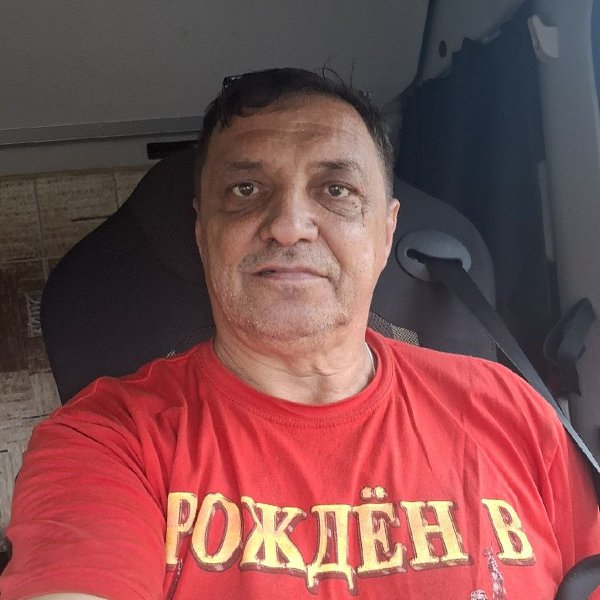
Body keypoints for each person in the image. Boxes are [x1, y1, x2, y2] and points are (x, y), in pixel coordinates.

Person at [1, 67, 599, 600]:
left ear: (385, 233)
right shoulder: (107, 440)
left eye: (336, 190)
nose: (288, 226)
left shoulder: (511, 409)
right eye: (245, 190)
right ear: (203, 233)